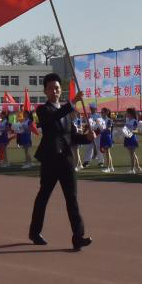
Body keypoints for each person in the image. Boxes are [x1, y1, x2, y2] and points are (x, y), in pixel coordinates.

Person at [28, 73, 92, 250]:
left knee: (72, 199)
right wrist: (72, 102)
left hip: (66, 160)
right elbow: (51, 119)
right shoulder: (43, 110)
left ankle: (78, 237)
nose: (54, 91)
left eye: (57, 88)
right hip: (50, 160)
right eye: (51, 88)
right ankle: (34, 232)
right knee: (43, 196)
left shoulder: (66, 112)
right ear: (45, 91)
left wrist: (87, 138)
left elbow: (71, 136)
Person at [121, 108, 141, 174]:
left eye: (127, 112)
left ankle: (132, 169)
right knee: (132, 154)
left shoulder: (134, 121)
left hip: (132, 138)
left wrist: (130, 131)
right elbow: (125, 128)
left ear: (130, 113)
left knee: (132, 154)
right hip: (127, 137)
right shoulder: (127, 120)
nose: (126, 113)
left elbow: (136, 130)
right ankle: (138, 167)